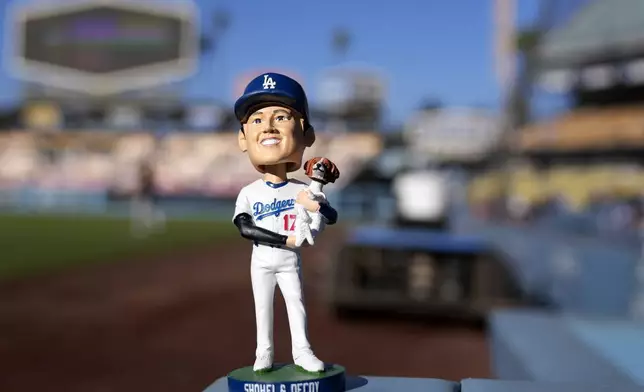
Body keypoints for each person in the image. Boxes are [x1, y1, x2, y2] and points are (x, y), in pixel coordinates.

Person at [231, 73, 338, 373]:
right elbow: (244, 228)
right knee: (262, 308)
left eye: (281, 117)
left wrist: (317, 204)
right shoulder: (249, 192)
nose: (268, 126)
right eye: (256, 120)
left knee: (296, 304)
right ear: (242, 138)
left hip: (290, 261)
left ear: (306, 134)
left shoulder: (302, 190)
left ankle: (302, 352)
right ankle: (263, 353)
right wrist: (285, 241)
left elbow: (331, 216)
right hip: (263, 258)